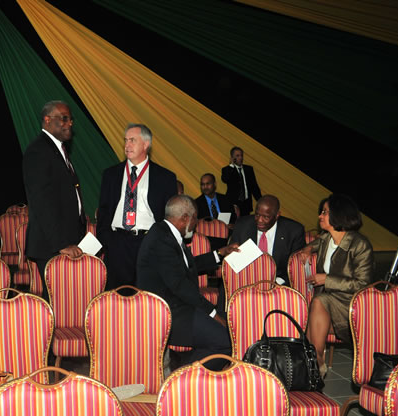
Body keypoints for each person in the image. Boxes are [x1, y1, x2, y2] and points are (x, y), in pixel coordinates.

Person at [137, 195, 239, 367]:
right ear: (185, 218)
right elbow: (180, 286)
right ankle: (185, 376)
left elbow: (185, 267)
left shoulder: (165, 232)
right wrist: (212, 313)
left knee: (226, 328)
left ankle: (183, 366)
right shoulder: (162, 240)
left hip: (179, 305)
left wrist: (219, 253)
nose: (196, 223)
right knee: (226, 342)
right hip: (167, 313)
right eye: (195, 218)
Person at [300, 194, 373, 376]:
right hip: (329, 303)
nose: (320, 216)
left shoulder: (360, 245)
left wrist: (327, 279)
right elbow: (317, 242)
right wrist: (308, 248)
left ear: (339, 215)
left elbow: (363, 284)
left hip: (352, 305)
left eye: (324, 212)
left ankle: (315, 361)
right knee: (316, 307)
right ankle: (314, 361)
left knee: (318, 303)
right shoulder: (328, 239)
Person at [97, 124, 176, 289]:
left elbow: (170, 217)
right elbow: (103, 210)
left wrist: (160, 243)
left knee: (147, 296)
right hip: (117, 243)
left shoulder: (165, 177)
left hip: (148, 243)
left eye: (132, 140)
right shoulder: (110, 174)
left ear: (146, 144)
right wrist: (107, 239)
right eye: (126, 140)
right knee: (117, 296)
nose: (127, 145)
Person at [22, 100, 85, 284]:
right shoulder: (38, 151)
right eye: (64, 118)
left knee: (73, 295)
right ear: (47, 119)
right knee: (57, 297)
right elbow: (41, 202)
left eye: (70, 119)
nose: (69, 123)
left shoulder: (58, 149)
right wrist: (61, 244)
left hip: (68, 240)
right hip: (53, 245)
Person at [229, 195, 305, 284]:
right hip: (245, 280)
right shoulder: (242, 225)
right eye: (257, 214)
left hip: (278, 282)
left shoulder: (293, 231)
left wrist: (275, 284)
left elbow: (296, 268)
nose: (259, 220)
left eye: (266, 217)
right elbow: (232, 261)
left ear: (277, 215)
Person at [221, 146, 262, 216]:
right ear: (232, 157)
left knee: (245, 222)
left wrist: (261, 201)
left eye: (241, 155)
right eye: (237, 156)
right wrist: (231, 166)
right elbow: (225, 179)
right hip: (233, 204)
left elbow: (254, 187)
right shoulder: (227, 169)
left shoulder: (249, 169)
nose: (240, 158)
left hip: (246, 204)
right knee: (234, 222)